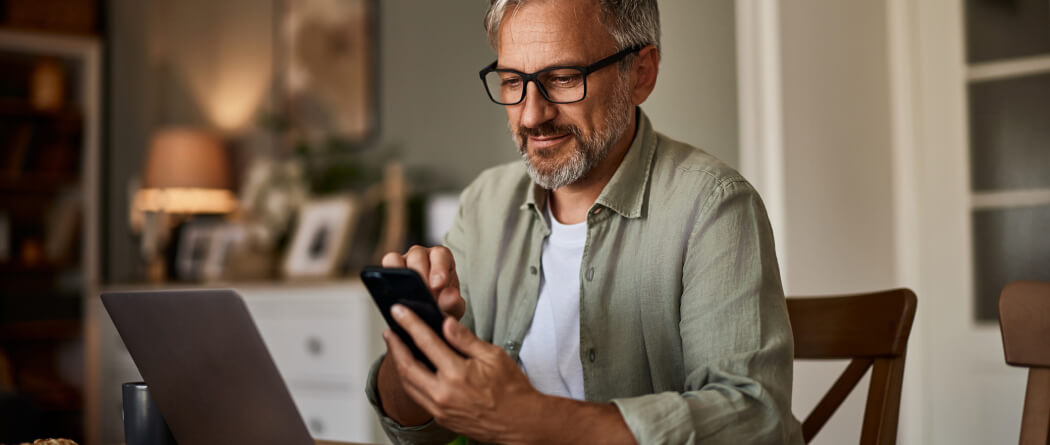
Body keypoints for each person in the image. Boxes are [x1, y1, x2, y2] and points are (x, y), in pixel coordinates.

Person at [366, 0, 804, 443]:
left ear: (641, 72)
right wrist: (417, 350)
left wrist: (531, 418)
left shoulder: (713, 207)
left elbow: (754, 419)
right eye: (513, 81)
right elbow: (417, 434)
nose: (532, 114)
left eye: (562, 78)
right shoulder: (485, 204)